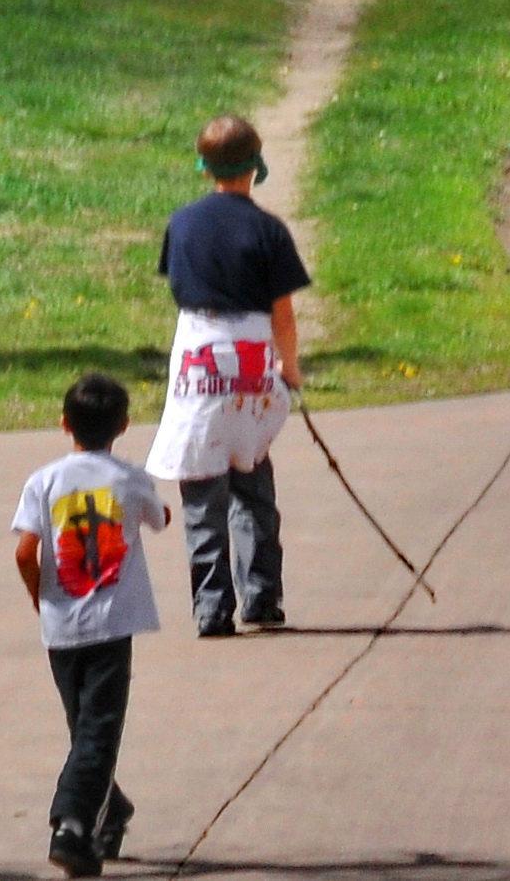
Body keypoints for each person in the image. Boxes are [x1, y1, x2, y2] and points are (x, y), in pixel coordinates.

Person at [147, 116, 309, 636]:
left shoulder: (182, 223)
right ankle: (261, 597)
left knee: (202, 492)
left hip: (198, 364)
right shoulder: (268, 230)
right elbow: (281, 314)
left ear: (203, 167)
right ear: (257, 167)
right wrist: (292, 369)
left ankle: (211, 608)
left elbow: (180, 289)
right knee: (253, 482)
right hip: (253, 370)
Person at [13, 372, 170, 878]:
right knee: (97, 732)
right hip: (110, 624)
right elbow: (160, 518)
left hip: (61, 626)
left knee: (85, 728)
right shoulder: (128, 477)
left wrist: (41, 595)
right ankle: (73, 825)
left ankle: (110, 809)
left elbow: (23, 551)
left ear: (64, 424)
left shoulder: (43, 481)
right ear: (123, 425)